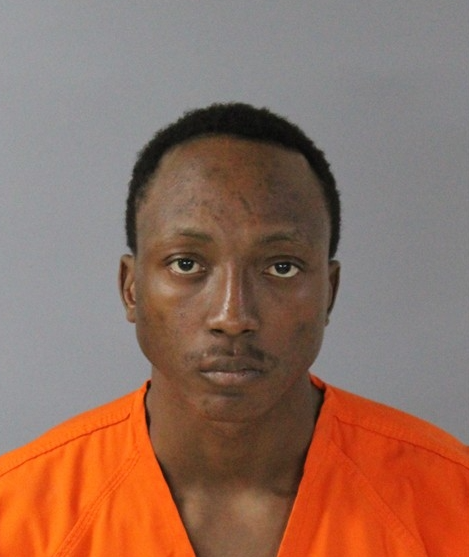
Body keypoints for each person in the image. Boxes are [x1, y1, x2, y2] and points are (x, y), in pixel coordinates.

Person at [0, 103, 467, 557]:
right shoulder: (17, 513)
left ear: (329, 292)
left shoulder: (453, 499)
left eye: (281, 267)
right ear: (131, 288)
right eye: (186, 264)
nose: (232, 316)